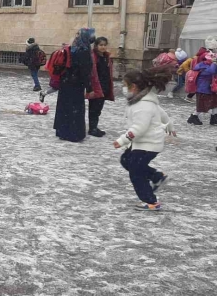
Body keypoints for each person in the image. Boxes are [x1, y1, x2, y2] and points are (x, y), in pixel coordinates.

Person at [114, 67, 175, 211]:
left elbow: (139, 128)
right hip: (142, 143)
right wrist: (170, 126)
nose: (123, 88)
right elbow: (161, 113)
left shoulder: (143, 105)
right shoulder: (142, 100)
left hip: (148, 144)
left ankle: (150, 201)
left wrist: (123, 140)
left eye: (124, 85)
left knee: (136, 172)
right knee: (126, 160)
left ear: (133, 87)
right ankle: (156, 176)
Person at [54, 28, 95, 142]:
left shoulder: (73, 48)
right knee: (75, 109)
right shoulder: (84, 51)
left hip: (66, 82)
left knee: (65, 108)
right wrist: (89, 88)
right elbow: (85, 72)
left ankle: (63, 131)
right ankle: (74, 134)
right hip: (76, 83)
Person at [86, 37, 115, 137]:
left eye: (104, 45)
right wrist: (91, 87)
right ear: (96, 46)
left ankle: (94, 126)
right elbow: (91, 73)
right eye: (101, 45)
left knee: (98, 109)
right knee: (93, 108)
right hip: (96, 86)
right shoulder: (93, 57)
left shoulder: (106, 57)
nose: (103, 47)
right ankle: (92, 128)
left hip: (104, 86)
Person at [188, 51, 217, 126]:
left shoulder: (209, 65)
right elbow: (211, 71)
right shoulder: (202, 66)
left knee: (214, 103)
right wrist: (214, 63)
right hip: (203, 89)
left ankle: (214, 118)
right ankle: (193, 117)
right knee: (202, 105)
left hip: (211, 89)